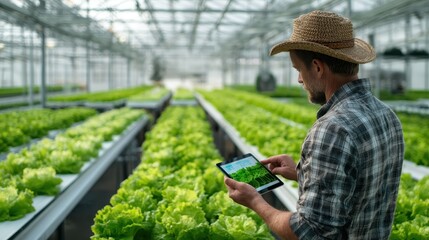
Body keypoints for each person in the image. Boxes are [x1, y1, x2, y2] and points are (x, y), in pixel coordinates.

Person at [224, 10, 404, 239]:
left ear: (318, 68)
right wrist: (305, 174)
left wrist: (256, 202)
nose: (299, 79)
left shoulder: (332, 129)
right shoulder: (387, 115)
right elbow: (361, 189)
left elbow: (309, 232)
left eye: (299, 70)